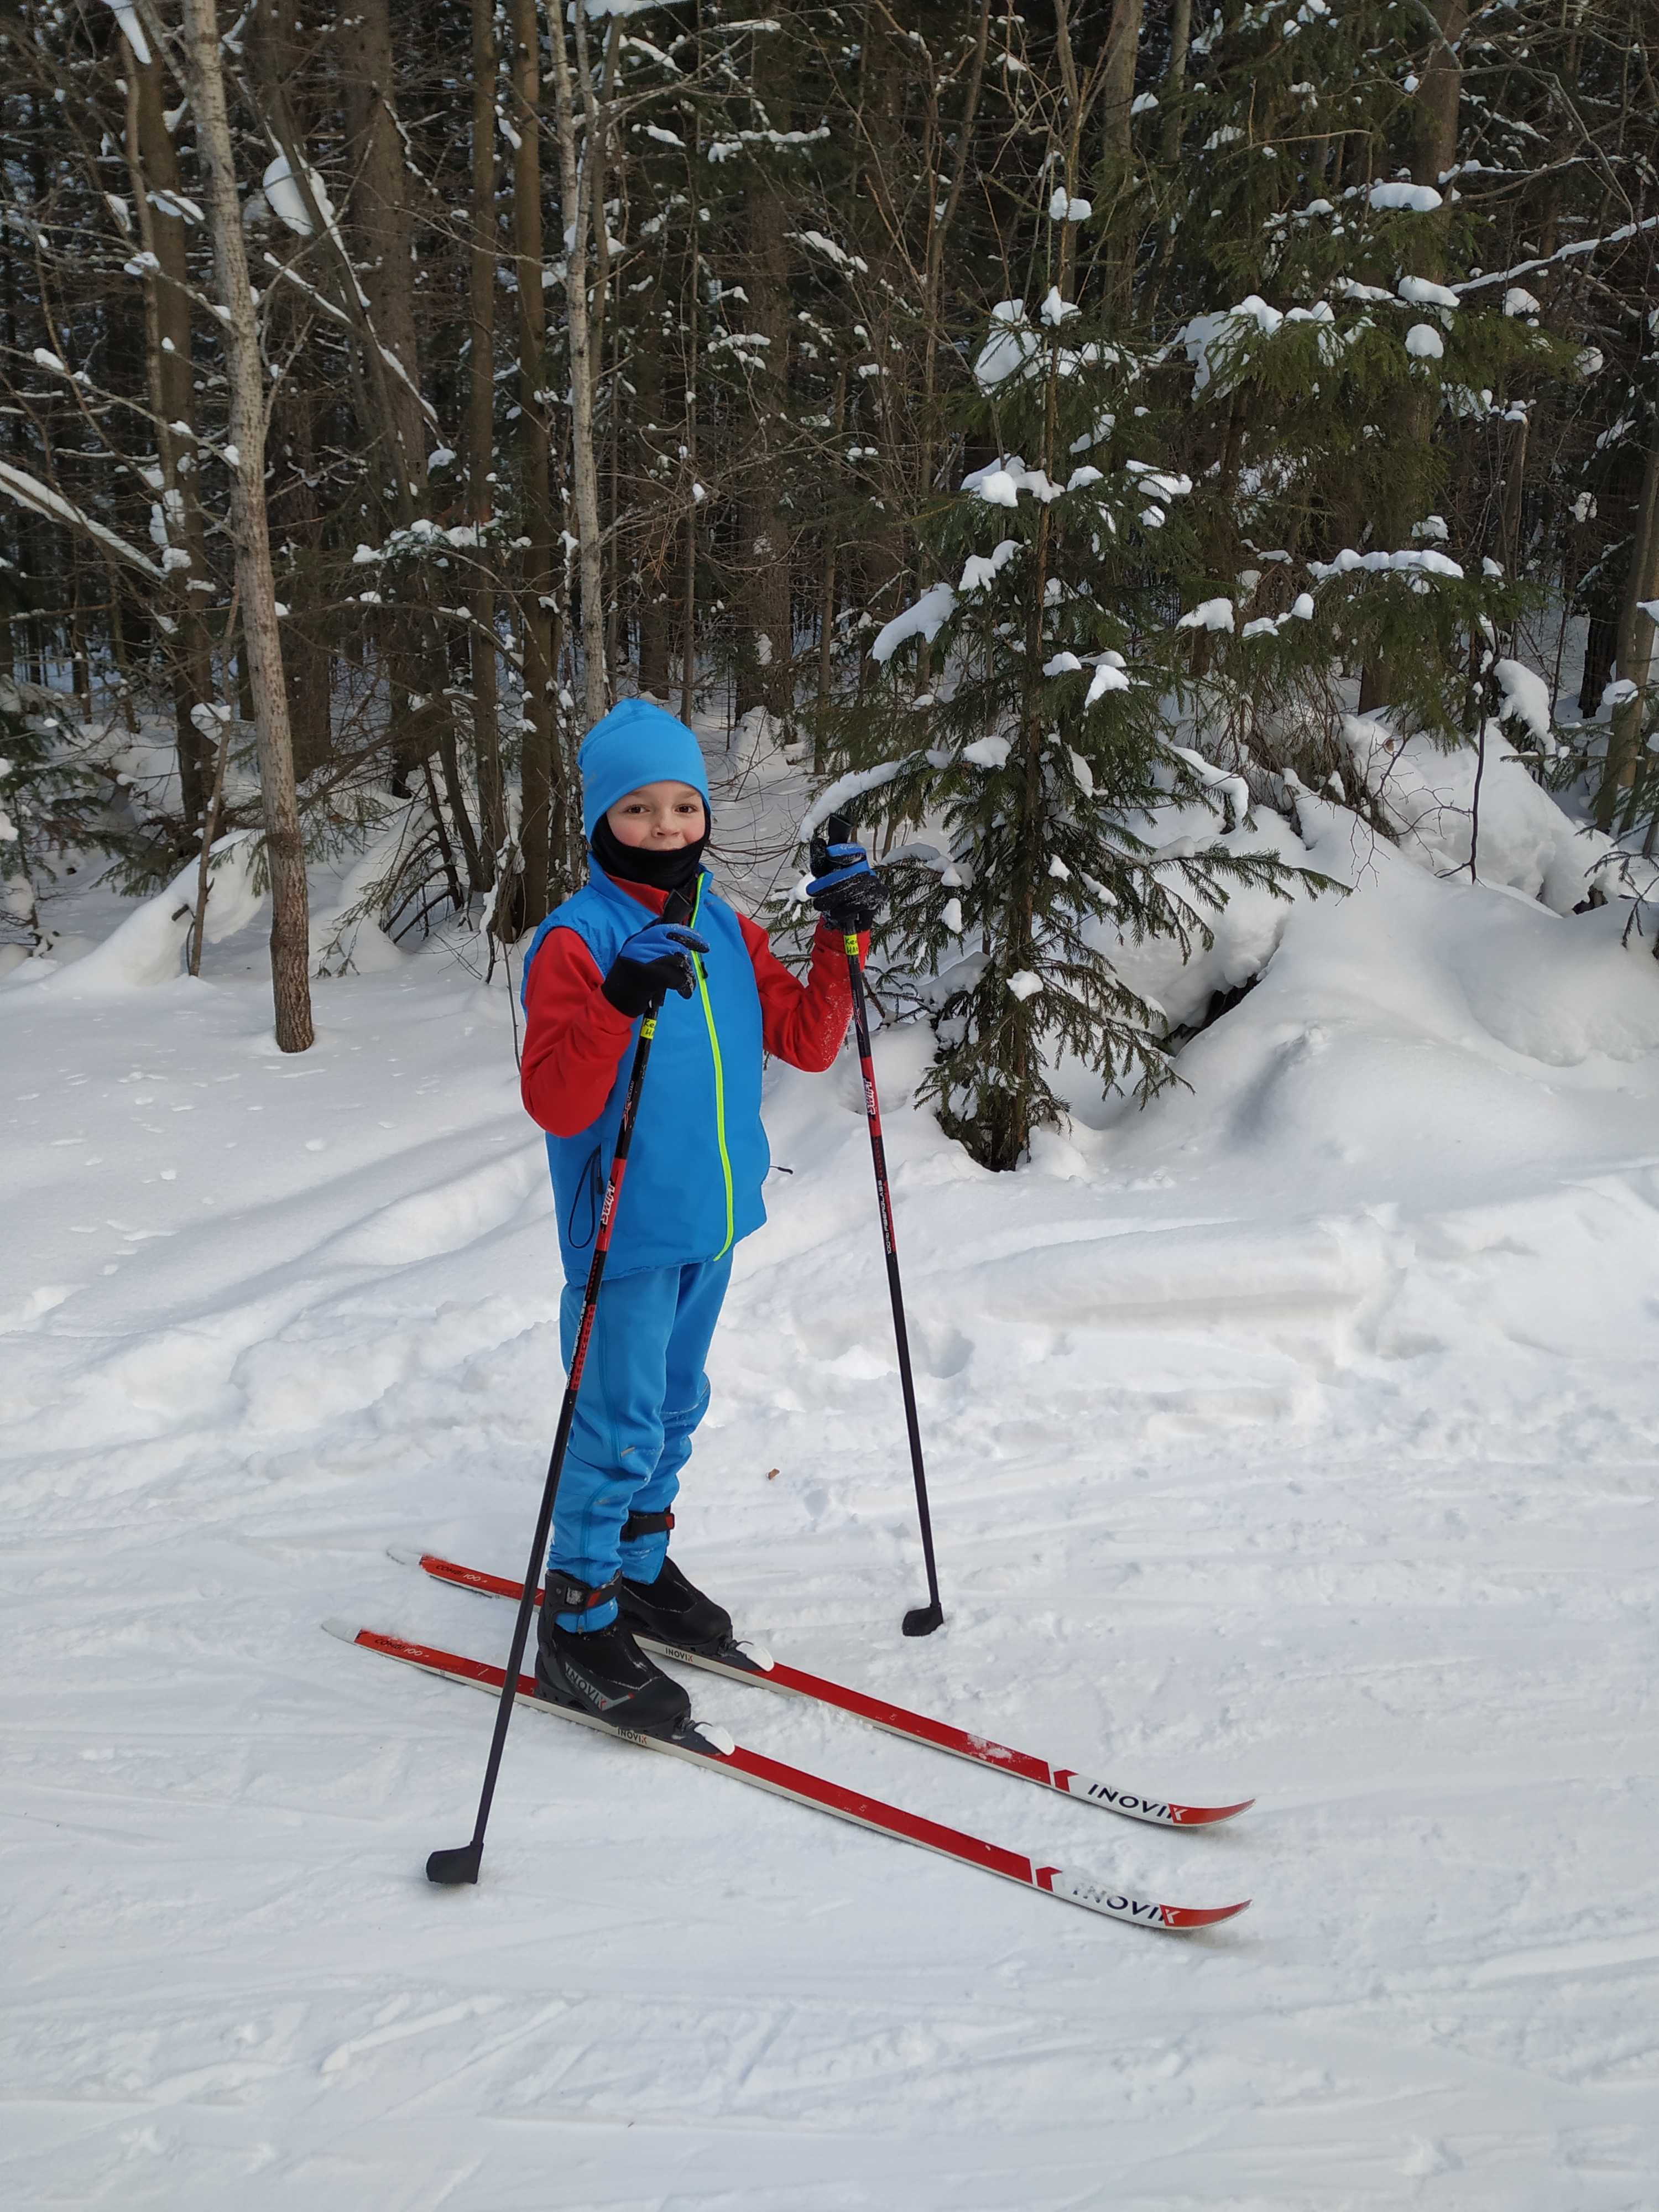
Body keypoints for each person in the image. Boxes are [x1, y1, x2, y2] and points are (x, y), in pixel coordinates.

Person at [519, 698, 885, 1738]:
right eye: (640, 809)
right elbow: (556, 1101)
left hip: (713, 1224)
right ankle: (579, 1617)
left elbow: (808, 1043)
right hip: (624, 1238)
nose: (669, 826)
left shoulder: (725, 924)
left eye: (685, 804)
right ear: (600, 821)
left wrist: (840, 930)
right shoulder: (576, 940)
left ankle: (635, 1572)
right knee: (617, 1425)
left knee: (677, 1410)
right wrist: (618, 1000)